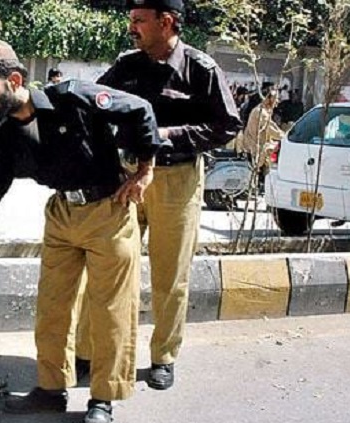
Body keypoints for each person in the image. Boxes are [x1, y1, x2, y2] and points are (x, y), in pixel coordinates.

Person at [0, 39, 163, 423]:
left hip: (108, 211)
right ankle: (50, 389)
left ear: (13, 80)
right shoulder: (7, 135)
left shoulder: (72, 98)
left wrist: (145, 170)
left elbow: (140, 109)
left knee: (110, 310)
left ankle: (102, 399)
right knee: (52, 307)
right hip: (62, 214)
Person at [74, 0, 242, 391]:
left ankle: (163, 356)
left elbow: (227, 124)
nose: (131, 27)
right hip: (127, 177)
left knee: (171, 275)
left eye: (139, 20)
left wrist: (168, 136)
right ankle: (87, 352)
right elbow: (94, 105)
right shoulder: (127, 65)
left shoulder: (200, 69)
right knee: (107, 268)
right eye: (131, 20)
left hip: (176, 180)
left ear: (166, 22)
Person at [238, 87, 284, 183]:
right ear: (268, 99)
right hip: (254, 147)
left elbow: (273, 127)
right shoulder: (261, 113)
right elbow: (271, 130)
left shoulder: (264, 111)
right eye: (275, 99)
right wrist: (286, 138)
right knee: (273, 149)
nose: (277, 102)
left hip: (257, 146)